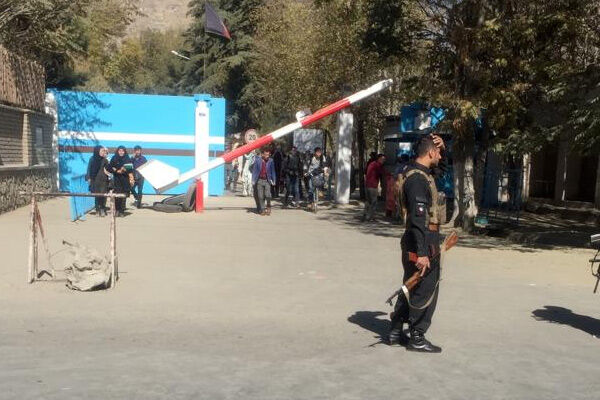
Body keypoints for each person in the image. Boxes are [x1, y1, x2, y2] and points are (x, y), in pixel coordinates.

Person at [389, 134, 446, 353]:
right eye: (438, 152)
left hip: (418, 238)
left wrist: (444, 148)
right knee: (426, 288)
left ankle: (395, 331)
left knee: (411, 284)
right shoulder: (417, 180)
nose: (440, 156)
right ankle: (417, 336)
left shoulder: (419, 173)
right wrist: (422, 252)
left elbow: (441, 171)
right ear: (430, 152)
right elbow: (417, 218)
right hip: (423, 239)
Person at [109, 146, 133, 217]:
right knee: (117, 195)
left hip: (125, 180)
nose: (121, 152)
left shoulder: (127, 158)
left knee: (123, 196)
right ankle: (117, 210)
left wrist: (125, 170)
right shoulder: (114, 158)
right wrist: (117, 171)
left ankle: (122, 211)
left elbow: (130, 169)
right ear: (117, 151)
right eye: (120, 151)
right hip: (117, 179)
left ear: (124, 152)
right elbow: (110, 167)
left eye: (122, 151)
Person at [86, 146, 110, 216]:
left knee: (103, 195)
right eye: (102, 151)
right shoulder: (92, 159)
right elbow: (89, 169)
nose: (103, 152)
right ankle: (97, 209)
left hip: (103, 181)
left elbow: (109, 169)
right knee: (96, 195)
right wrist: (88, 178)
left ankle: (102, 208)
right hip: (95, 180)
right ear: (97, 151)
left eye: (104, 151)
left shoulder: (105, 160)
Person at [251, 148, 276, 215]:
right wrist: (253, 180)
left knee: (268, 195)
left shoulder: (271, 161)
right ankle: (262, 209)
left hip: (267, 180)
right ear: (262, 155)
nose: (267, 156)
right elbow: (254, 171)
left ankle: (268, 206)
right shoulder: (257, 161)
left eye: (268, 155)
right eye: (266, 155)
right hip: (259, 180)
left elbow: (273, 171)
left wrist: (274, 180)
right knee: (260, 196)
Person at [362, 154, 386, 221]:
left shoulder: (371, 163)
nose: (384, 161)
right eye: (383, 159)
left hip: (367, 185)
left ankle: (365, 214)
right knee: (374, 202)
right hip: (372, 185)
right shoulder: (378, 165)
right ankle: (369, 217)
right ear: (379, 159)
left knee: (368, 201)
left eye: (384, 160)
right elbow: (382, 174)